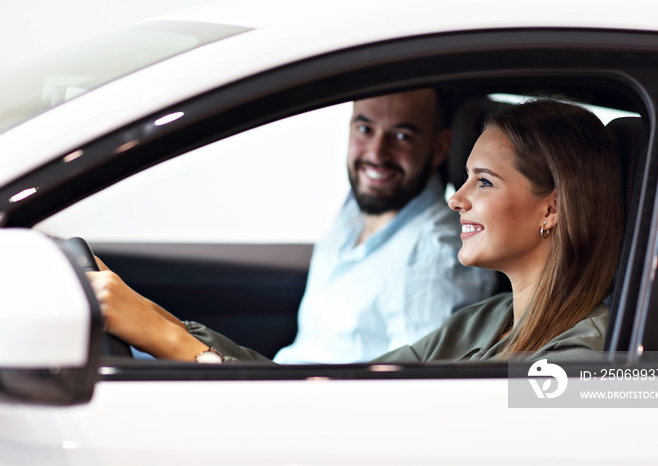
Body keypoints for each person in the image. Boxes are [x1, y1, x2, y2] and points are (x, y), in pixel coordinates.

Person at [89, 98, 624, 364]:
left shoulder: (579, 360)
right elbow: (352, 390)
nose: (456, 199)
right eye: (464, 178)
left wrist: (176, 346)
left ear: (551, 208)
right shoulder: (489, 322)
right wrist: (156, 320)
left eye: (482, 182)